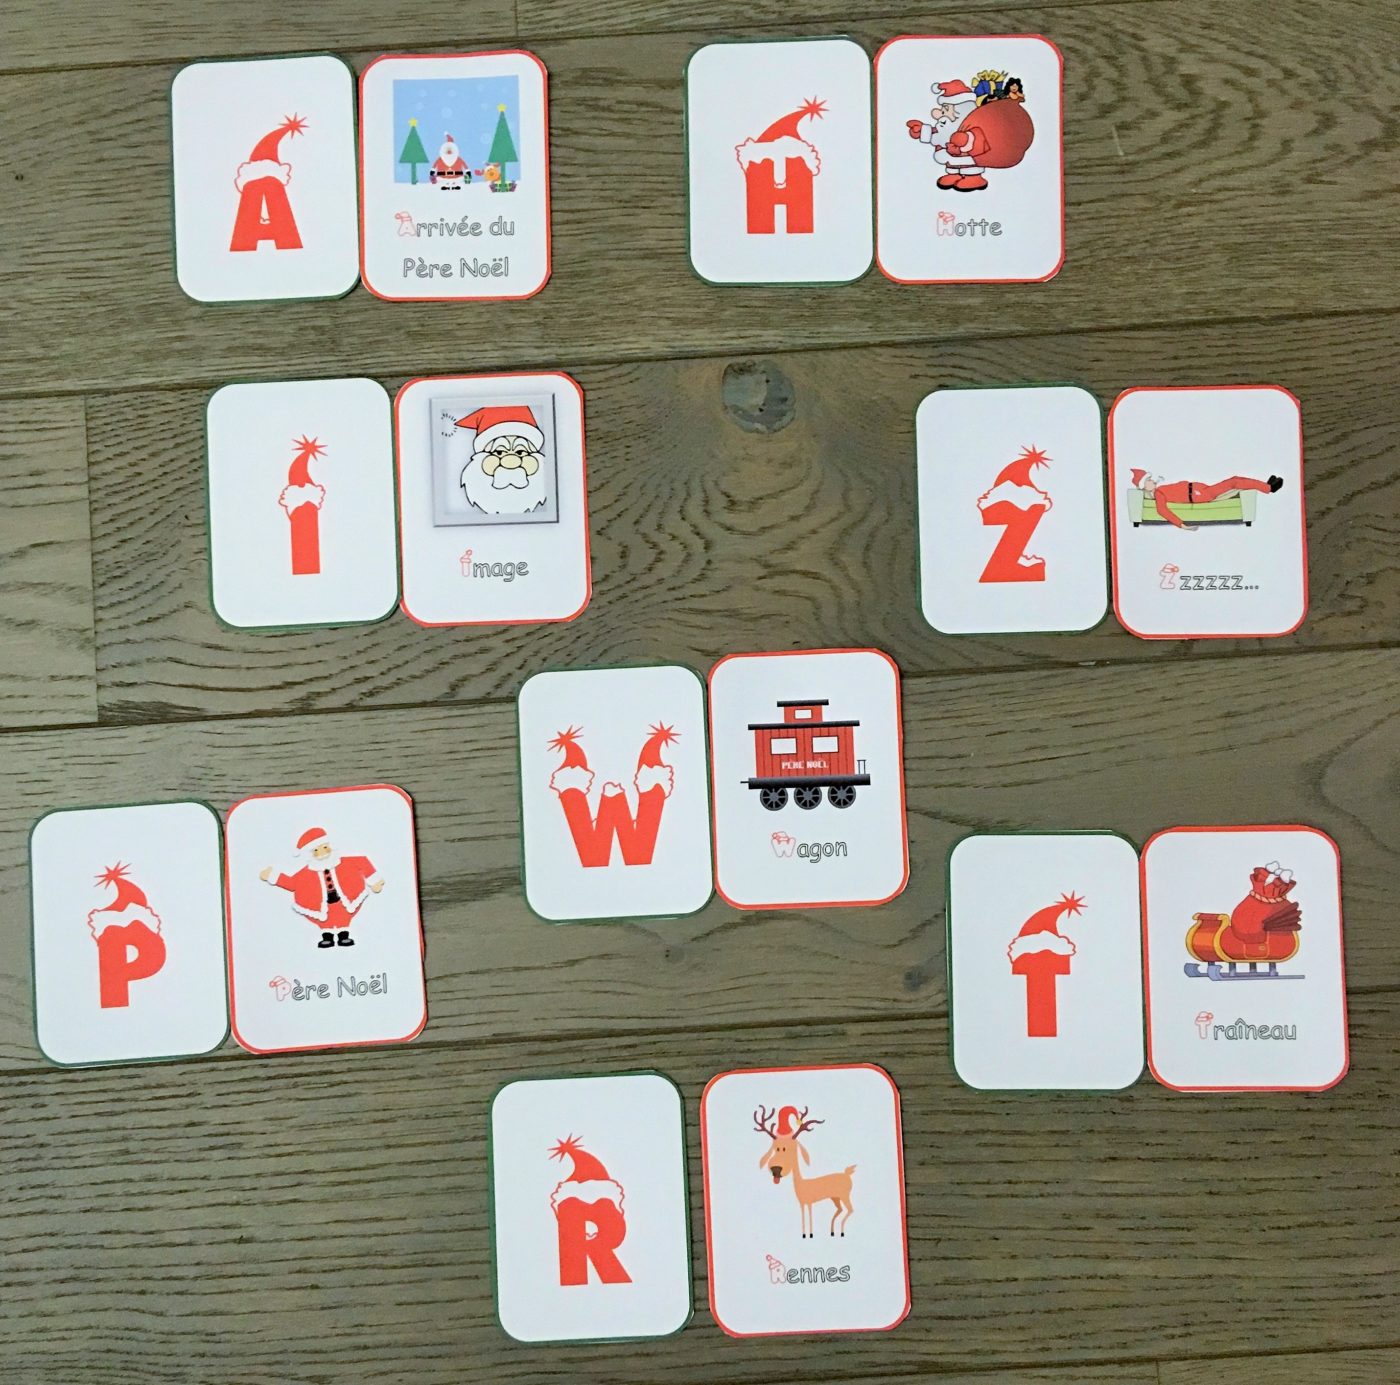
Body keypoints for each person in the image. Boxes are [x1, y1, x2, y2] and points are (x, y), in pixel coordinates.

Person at [1130, 468, 1283, 530]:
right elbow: (1163, 511)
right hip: (1200, 495)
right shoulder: (1158, 494)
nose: (1152, 480)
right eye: (1148, 480)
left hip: (1200, 491)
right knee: (1234, 482)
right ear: (1144, 486)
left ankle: (1265, 485)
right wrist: (1182, 525)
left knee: (1234, 480)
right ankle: (1268, 488)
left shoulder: (1159, 490)